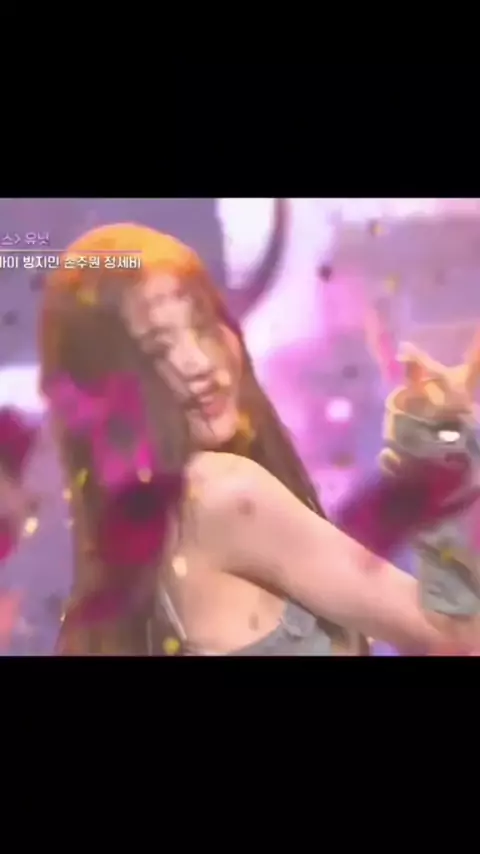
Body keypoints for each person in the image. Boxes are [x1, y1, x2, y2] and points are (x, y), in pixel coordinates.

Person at [37, 222, 476, 656]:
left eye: (203, 325)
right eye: (157, 349)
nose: (199, 364)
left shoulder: (130, 544)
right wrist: (437, 436)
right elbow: (458, 633)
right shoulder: (220, 495)